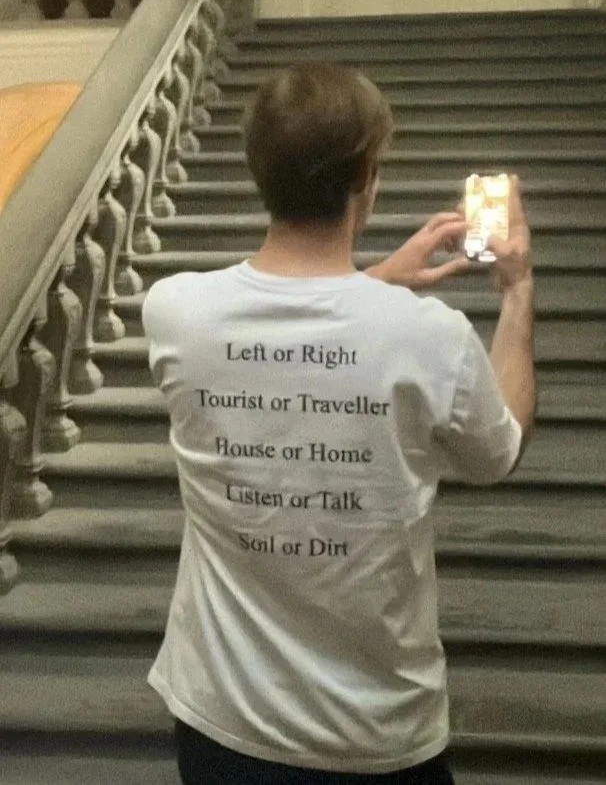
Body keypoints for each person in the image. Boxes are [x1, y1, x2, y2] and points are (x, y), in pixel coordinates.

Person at [142, 64, 535, 785]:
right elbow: (498, 448)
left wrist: (373, 279)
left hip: (219, 723)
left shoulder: (176, 314)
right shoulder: (430, 337)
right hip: (376, 733)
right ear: (367, 176)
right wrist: (516, 293)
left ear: (258, 169)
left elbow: (285, 334)